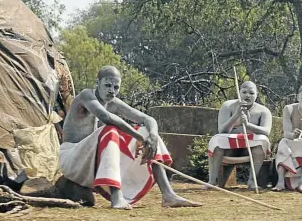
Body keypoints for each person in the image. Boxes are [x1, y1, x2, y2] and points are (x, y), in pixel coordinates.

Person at [58, 66, 202, 210]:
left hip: (93, 160)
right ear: (97, 83)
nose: (111, 91)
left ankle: (168, 194)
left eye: (116, 87)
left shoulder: (113, 102)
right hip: (72, 157)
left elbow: (148, 119)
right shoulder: (87, 95)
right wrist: (138, 137)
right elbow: (106, 117)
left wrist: (151, 136)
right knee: (111, 129)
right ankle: (117, 197)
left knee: (147, 131)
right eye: (107, 85)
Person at [204, 81, 273, 190]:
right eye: (244, 92)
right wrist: (235, 116)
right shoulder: (227, 105)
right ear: (239, 93)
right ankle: (212, 181)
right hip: (229, 148)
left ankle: (251, 181)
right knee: (216, 140)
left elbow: (266, 132)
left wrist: (248, 125)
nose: (247, 95)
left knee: (263, 141)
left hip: (250, 148)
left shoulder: (264, 111)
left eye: (251, 93)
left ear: (256, 94)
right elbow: (222, 130)